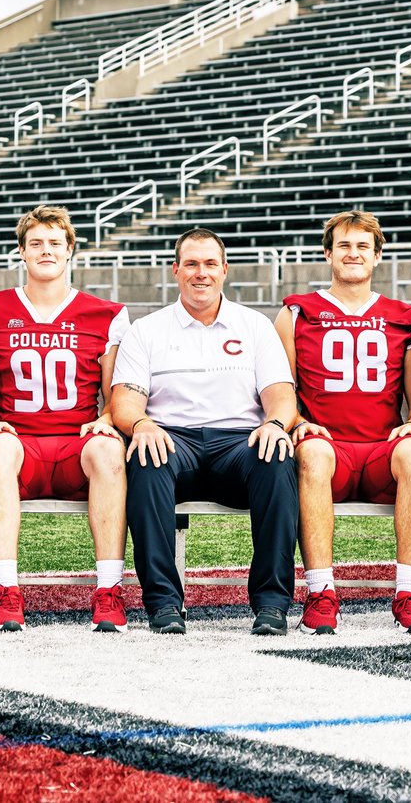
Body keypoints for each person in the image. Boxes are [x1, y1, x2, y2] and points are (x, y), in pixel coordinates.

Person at [109, 228, 298, 635]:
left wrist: (276, 425)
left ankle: (271, 604)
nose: (201, 273)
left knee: (278, 455)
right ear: (176, 270)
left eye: (210, 264)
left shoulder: (254, 326)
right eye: (191, 264)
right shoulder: (148, 330)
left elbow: (282, 396)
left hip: (239, 442)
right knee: (145, 453)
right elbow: (124, 401)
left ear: (224, 270)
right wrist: (141, 423)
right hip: (173, 439)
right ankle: (163, 604)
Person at [274, 210, 411, 635]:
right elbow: (278, 385)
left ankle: (409, 592)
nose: (353, 253)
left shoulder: (404, 314)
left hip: (383, 447)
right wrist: (296, 422)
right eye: (344, 245)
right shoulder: (296, 312)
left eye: (363, 246)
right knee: (310, 453)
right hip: (329, 447)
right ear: (328, 253)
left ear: (377, 256)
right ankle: (321, 592)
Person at [0, 205, 130, 632]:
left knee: (107, 446)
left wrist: (106, 418)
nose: (46, 251)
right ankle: (5, 589)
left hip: (75, 447)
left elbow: (116, 391)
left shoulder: (106, 314)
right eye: (36, 244)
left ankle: (108, 589)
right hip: (19, 441)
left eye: (55, 244)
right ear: (21, 252)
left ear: (70, 252)